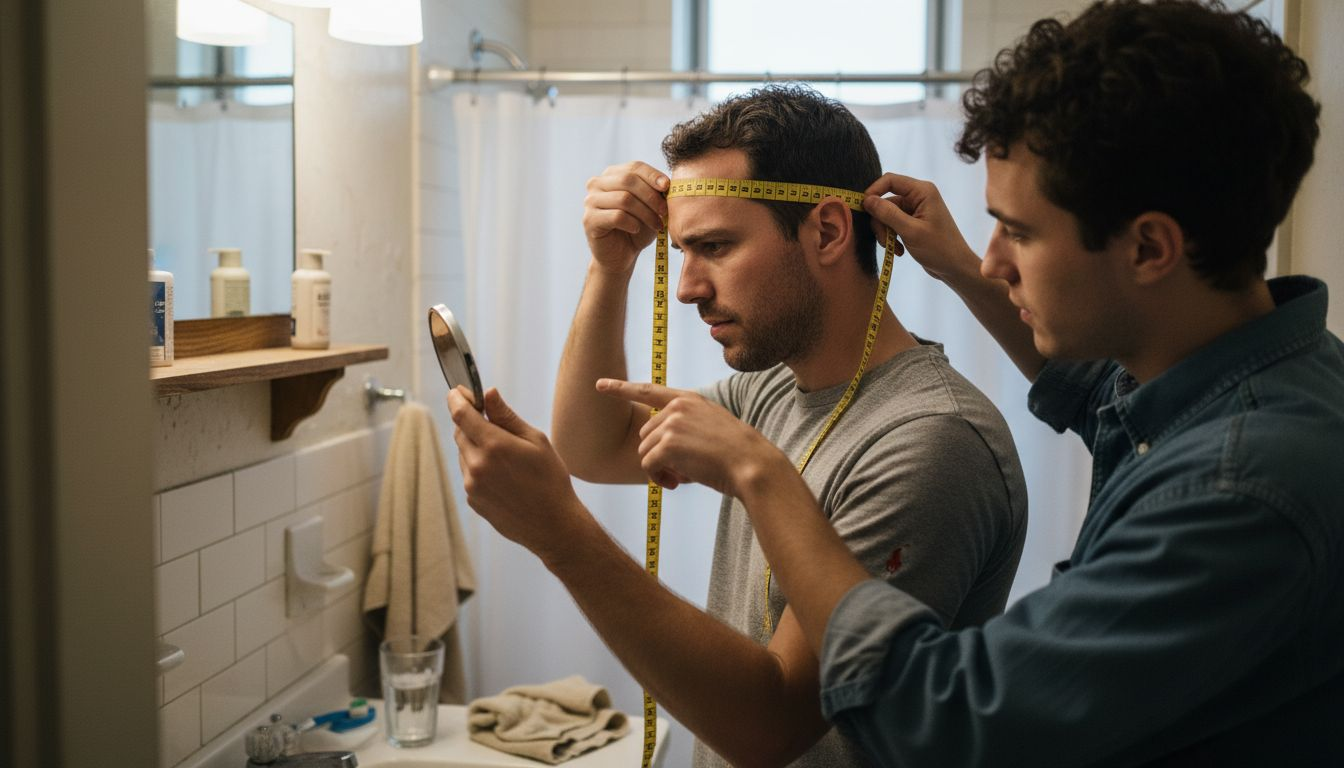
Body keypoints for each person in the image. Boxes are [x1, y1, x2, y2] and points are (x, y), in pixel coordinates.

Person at [598, 1, 1344, 765]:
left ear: (1150, 248)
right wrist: (955, 267)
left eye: (1018, 232)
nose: (992, 262)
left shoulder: (1237, 487)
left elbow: (955, 714)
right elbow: (1093, 393)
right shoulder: (1254, 382)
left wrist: (760, 476)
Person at [447, 85, 1029, 767]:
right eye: (682, 251)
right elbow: (593, 446)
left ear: (829, 232)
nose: (687, 287)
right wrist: (611, 267)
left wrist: (561, 536)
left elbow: (771, 727)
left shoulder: (931, 440)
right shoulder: (771, 391)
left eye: (716, 246)